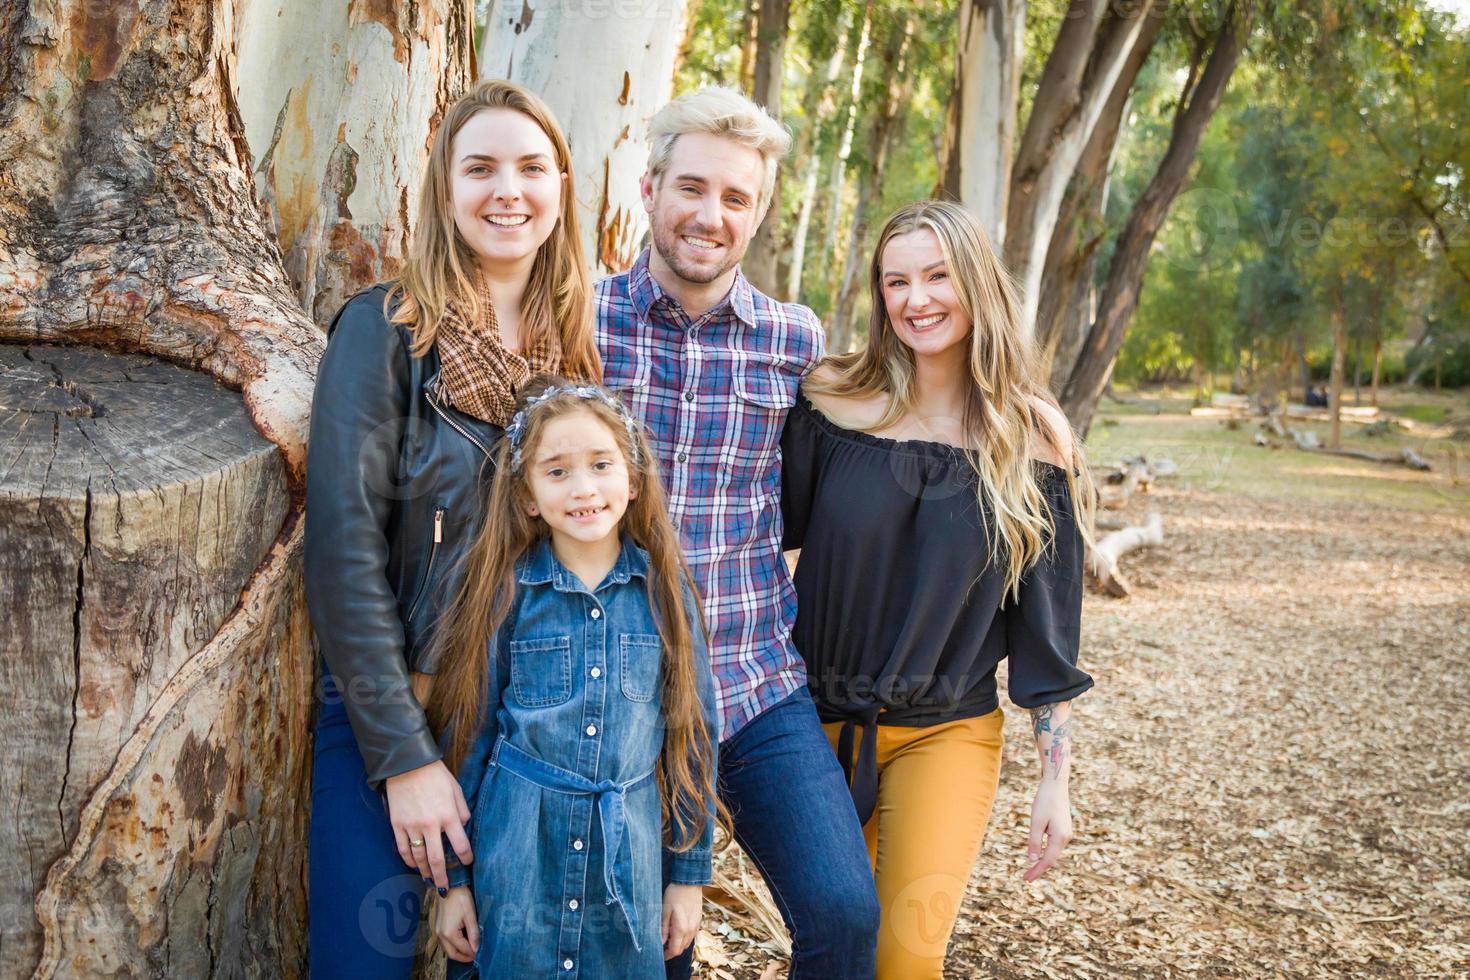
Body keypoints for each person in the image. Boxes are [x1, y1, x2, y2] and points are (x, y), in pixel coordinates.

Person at [303, 79, 599, 977]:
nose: (507, 190)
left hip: (532, 730)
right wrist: (404, 760)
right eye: (481, 169)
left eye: (530, 168)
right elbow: (343, 551)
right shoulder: (387, 331)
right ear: (444, 191)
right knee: (368, 964)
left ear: (561, 189)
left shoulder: (583, 353)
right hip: (396, 719)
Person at [596, 87, 880, 980]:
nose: (710, 216)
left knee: (844, 912)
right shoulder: (580, 321)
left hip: (754, 681)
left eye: (736, 198)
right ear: (649, 189)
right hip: (620, 690)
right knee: (657, 945)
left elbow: (893, 428)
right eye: (692, 187)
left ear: (757, 212)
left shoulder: (793, 341)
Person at [780, 200, 1098, 979]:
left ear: (977, 284)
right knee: (832, 946)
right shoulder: (829, 401)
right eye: (896, 281)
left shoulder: (1032, 438)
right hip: (812, 726)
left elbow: (1046, 631)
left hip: (945, 731)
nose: (916, 299)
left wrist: (1054, 784)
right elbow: (753, 547)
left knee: (906, 957)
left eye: (936, 275)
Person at [426, 378, 720, 977]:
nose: (583, 488)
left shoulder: (664, 596)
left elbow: (693, 740)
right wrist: (454, 884)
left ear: (632, 482)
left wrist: (687, 877)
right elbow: (469, 736)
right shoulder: (505, 593)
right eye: (556, 471)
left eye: (601, 465)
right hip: (517, 857)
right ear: (529, 496)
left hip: (628, 863)